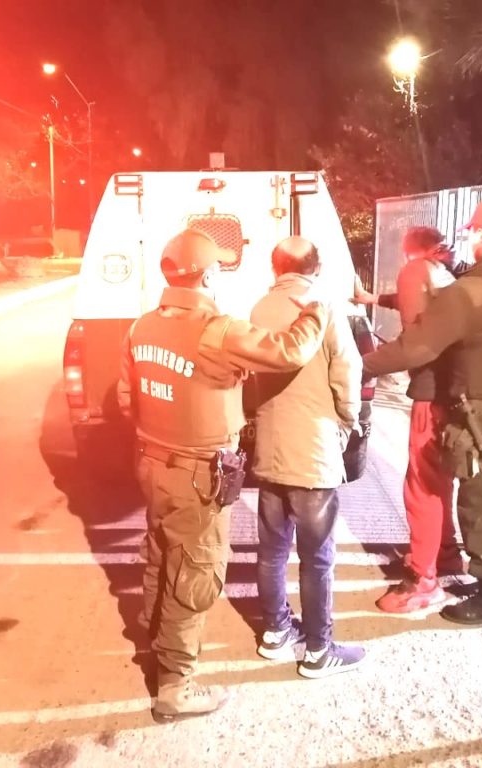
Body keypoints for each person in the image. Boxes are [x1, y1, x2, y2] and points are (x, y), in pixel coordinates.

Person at [117, 228, 330, 722]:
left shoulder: (140, 327)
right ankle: (175, 686)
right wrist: (316, 310)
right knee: (194, 572)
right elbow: (289, 351)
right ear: (210, 274)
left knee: (161, 556)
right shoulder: (217, 329)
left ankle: (156, 641)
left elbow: (127, 399)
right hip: (196, 474)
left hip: (152, 464)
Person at [362, 198, 482, 625]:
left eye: (471, 232)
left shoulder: (475, 290)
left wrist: (356, 365)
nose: (466, 240)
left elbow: (415, 347)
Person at [248, 236, 366, 678]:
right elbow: (347, 369)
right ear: (316, 267)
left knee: (271, 550)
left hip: (270, 444)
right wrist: (348, 420)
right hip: (313, 448)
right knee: (316, 556)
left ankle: (275, 630)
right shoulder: (323, 305)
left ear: (274, 267)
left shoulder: (260, 308)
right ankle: (319, 650)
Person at [354, 227, 465, 613]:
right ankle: (445, 553)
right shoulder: (447, 274)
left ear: (409, 252)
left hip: (431, 393)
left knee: (421, 486)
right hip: (455, 391)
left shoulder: (416, 271)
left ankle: (423, 579)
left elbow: (416, 340)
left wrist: (359, 366)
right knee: (439, 481)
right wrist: (372, 298)